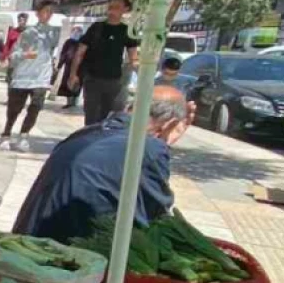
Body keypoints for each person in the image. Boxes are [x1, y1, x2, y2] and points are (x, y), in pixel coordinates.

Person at [10, 85, 192, 243]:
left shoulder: (87, 133)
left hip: (30, 236)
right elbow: (157, 217)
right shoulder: (148, 148)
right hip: (68, 255)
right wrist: (164, 144)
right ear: (171, 123)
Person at [68, 0, 142, 126]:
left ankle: (98, 141)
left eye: (117, 7)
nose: (112, 11)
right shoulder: (96, 27)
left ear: (125, 9)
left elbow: (133, 58)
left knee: (105, 117)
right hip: (92, 79)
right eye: (110, 7)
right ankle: (89, 141)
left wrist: (143, 78)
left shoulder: (127, 31)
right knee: (91, 117)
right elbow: (80, 52)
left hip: (113, 81)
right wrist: (73, 74)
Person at [0, 3, 58, 152]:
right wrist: (25, 55)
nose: (48, 14)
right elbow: (14, 55)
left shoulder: (54, 33)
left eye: (51, 12)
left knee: (35, 107)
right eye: (45, 11)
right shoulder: (27, 33)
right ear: (38, 13)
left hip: (41, 78)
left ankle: (24, 135)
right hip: (23, 76)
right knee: (14, 109)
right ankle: (6, 134)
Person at [55, 24, 83, 108]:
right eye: (74, 30)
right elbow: (63, 54)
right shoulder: (68, 42)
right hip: (68, 67)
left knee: (77, 84)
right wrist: (59, 65)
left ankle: (74, 101)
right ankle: (69, 102)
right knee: (67, 83)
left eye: (78, 30)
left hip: (80, 67)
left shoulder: (84, 41)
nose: (76, 32)